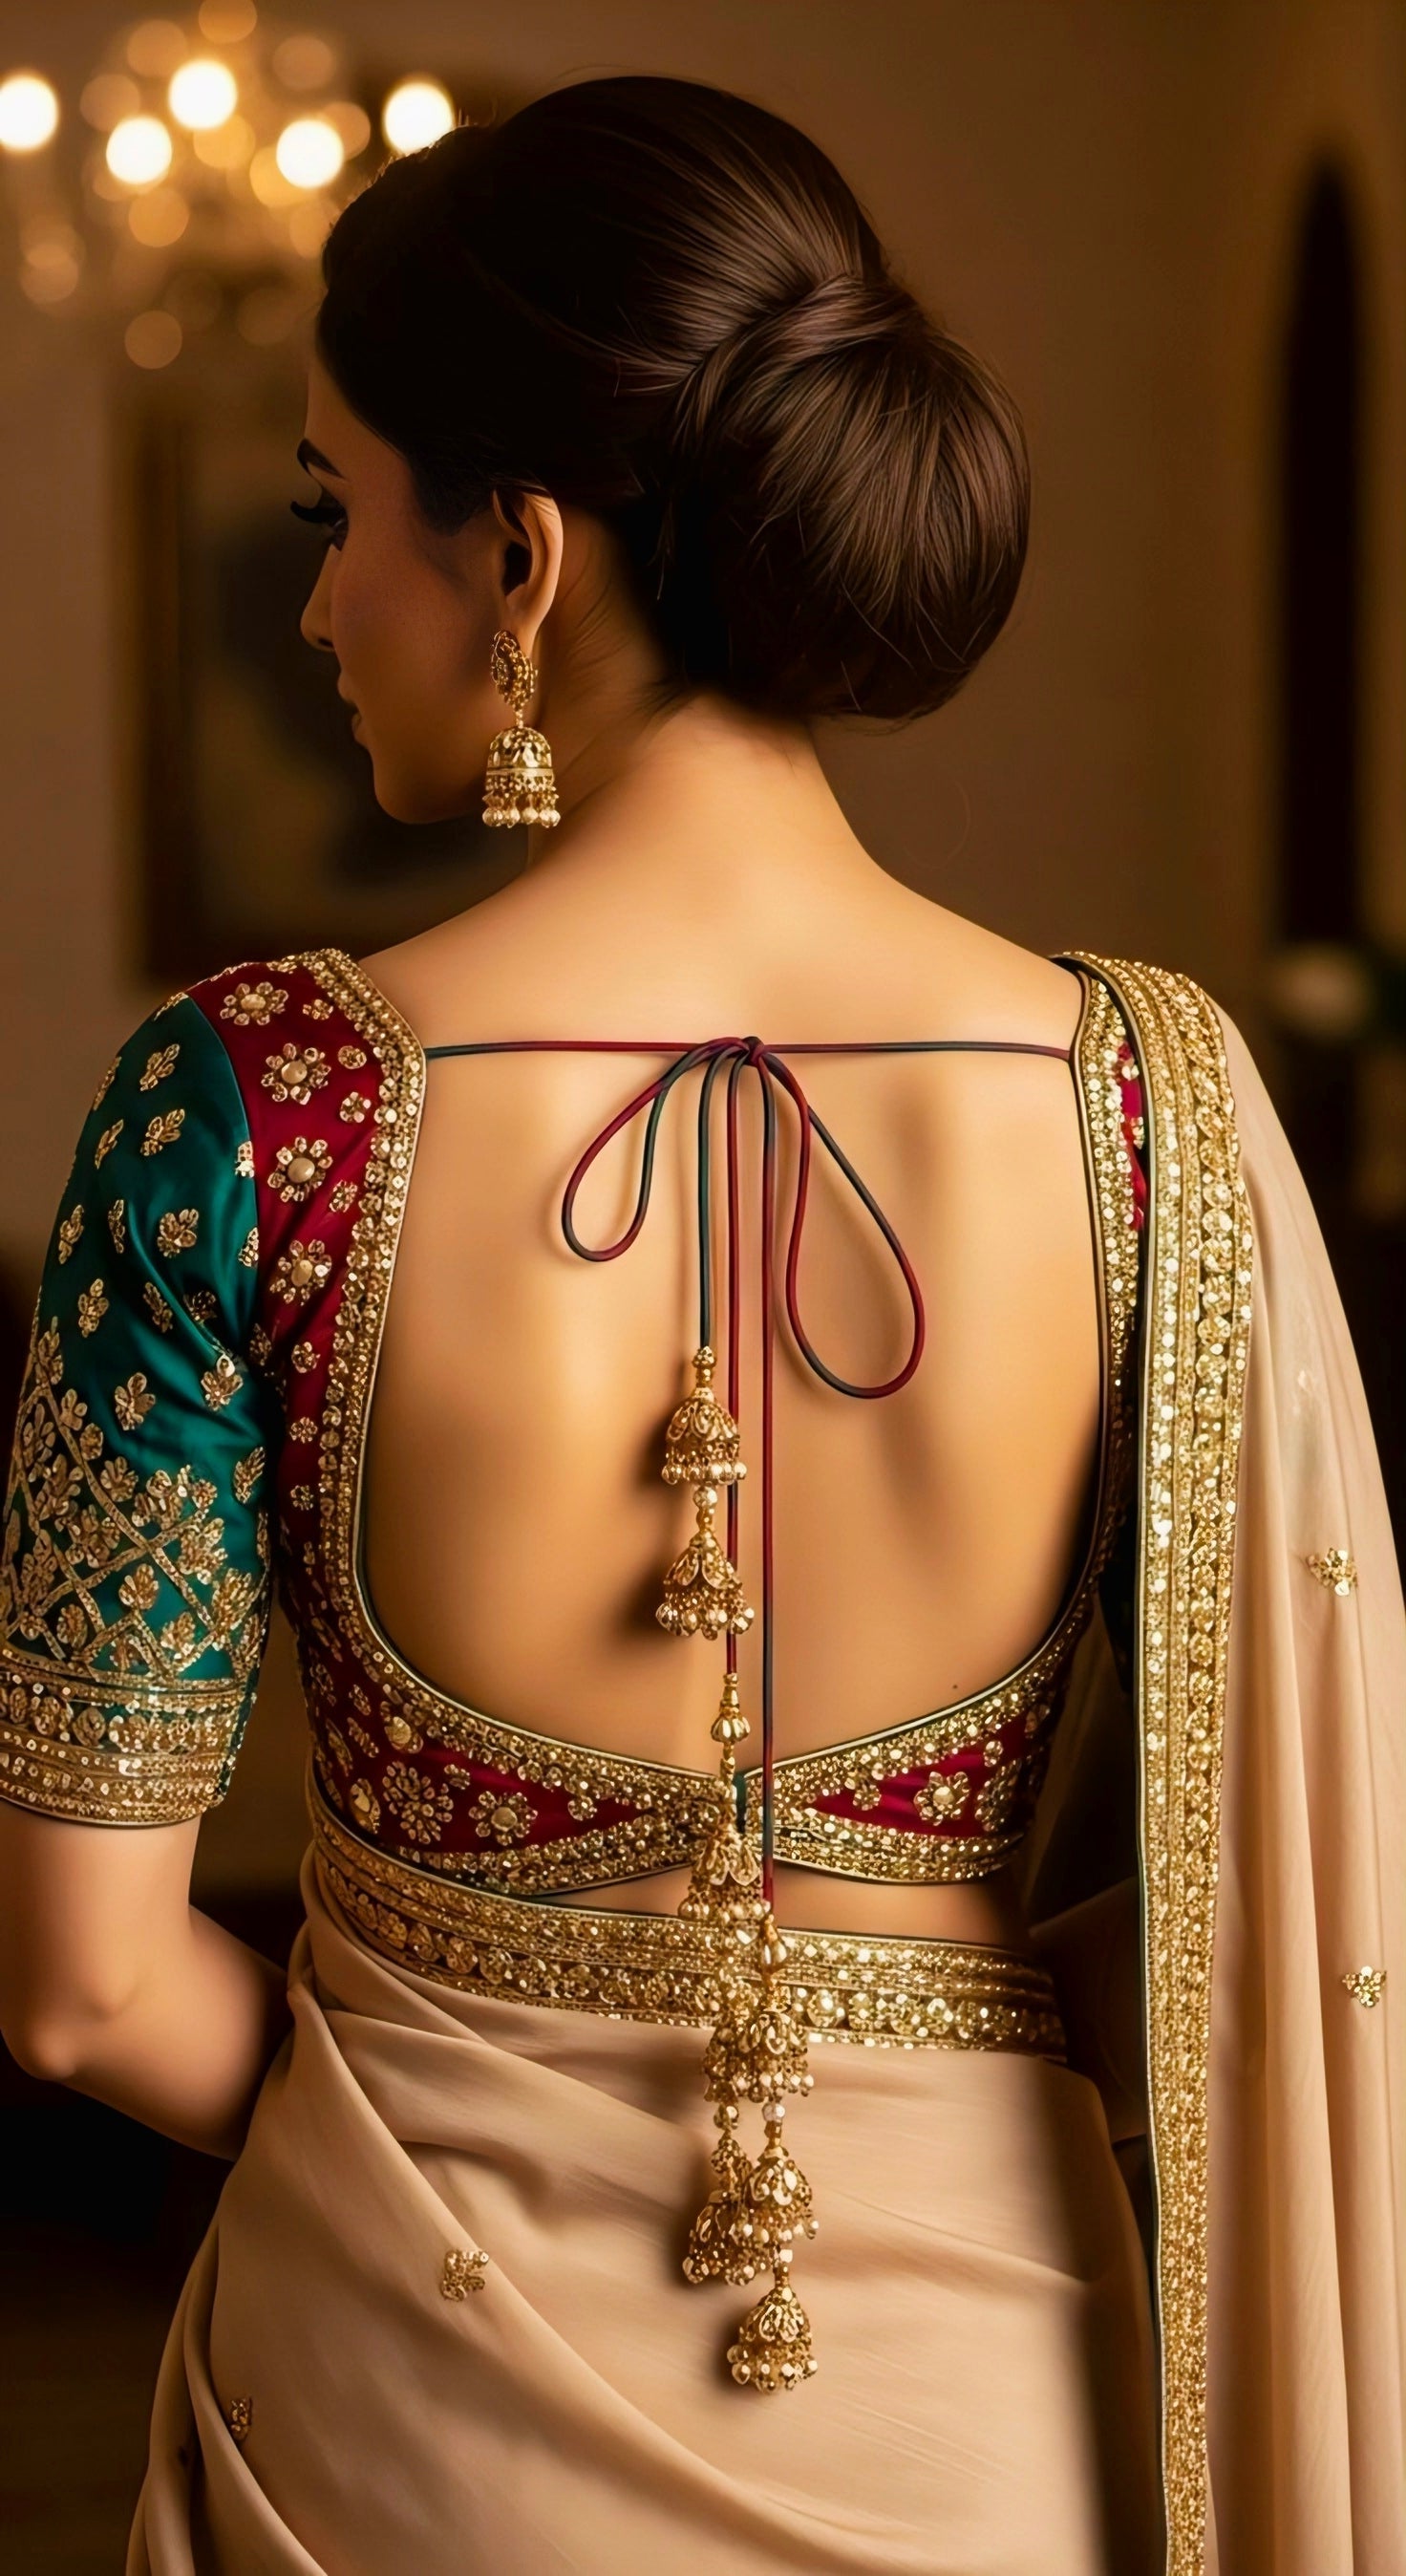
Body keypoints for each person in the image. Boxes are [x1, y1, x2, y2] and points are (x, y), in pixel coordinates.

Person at [0, 75, 1400, 2576]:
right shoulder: (1151, 1109)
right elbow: (1299, 1895)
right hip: (995, 2406)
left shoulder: (246, 1113)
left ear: (522, 553)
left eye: (334, 515)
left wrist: (453, 2100)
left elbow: (82, 1993)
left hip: (406, 2402)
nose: (315, 609)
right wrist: (955, 2055)